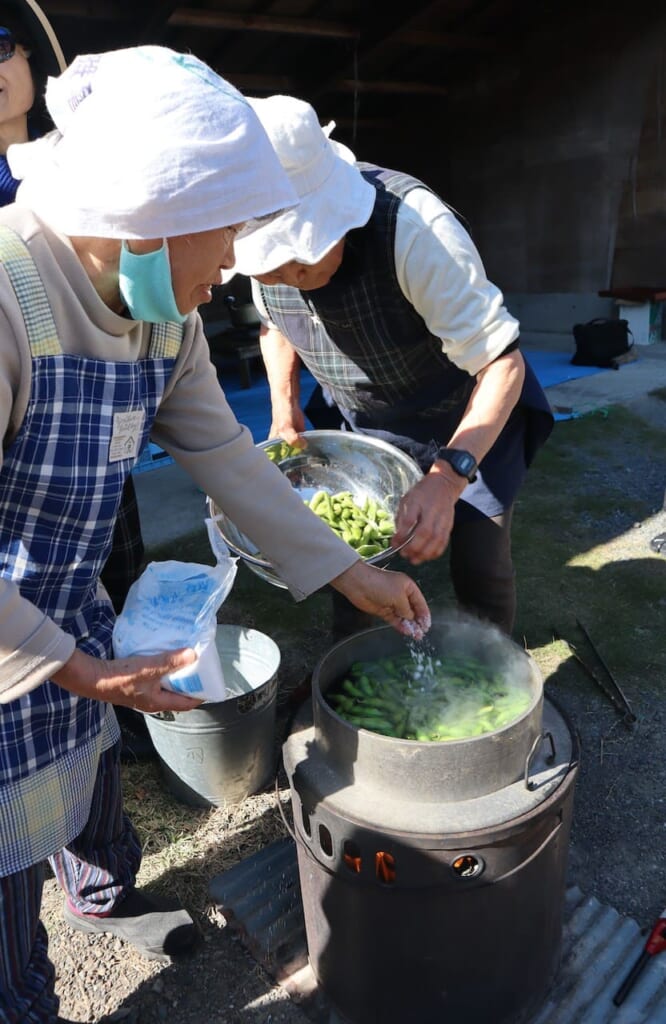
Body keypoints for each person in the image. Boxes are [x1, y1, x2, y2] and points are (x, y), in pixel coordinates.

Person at [0, 48, 430, 1023]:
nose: (234, 266)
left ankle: (100, 897)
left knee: (82, 778)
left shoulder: (163, 319)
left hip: (68, 608)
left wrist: (352, 571)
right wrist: (65, 662)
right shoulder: (10, 296)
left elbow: (232, 459)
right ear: (146, 219)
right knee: (2, 897)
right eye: (225, 234)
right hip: (8, 642)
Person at [230, 95, 555, 638]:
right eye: (268, 264)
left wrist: (448, 479)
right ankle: (356, 668)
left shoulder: (416, 231)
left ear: (336, 213)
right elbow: (275, 326)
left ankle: (489, 672)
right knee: (357, 564)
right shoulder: (260, 252)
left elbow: (502, 364)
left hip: (464, 410)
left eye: (297, 257)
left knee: (481, 559)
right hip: (366, 417)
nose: (283, 272)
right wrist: (284, 411)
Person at [0, 2, 151, 758]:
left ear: (28, 57)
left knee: (107, 565)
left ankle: (121, 708)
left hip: (97, 412)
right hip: (16, 418)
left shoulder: (87, 155)